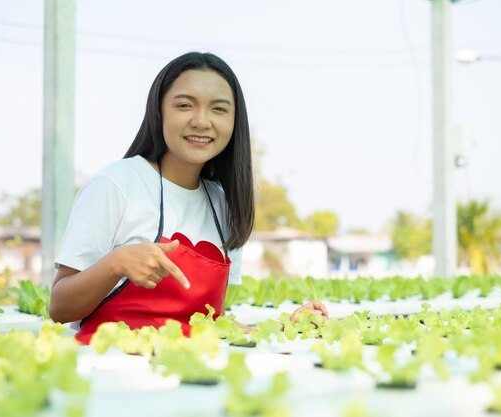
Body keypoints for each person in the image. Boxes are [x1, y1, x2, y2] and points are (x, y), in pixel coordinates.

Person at [49, 52, 327, 344]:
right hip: (115, 368)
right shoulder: (116, 184)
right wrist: (116, 263)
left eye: (219, 109)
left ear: (234, 122)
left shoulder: (224, 204)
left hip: (188, 374)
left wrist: (288, 326)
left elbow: (206, 324)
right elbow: (60, 308)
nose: (201, 121)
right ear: (159, 111)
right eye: (184, 105)